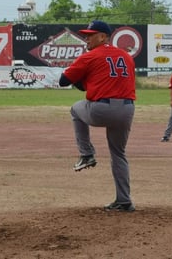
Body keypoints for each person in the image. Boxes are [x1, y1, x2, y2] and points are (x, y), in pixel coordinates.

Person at [59, 20, 136, 212]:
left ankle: (86, 154)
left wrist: (79, 80)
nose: (87, 39)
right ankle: (124, 200)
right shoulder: (127, 56)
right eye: (86, 35)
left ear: (103, 36)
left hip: (102, 109)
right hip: (127, 109)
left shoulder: (90, 56)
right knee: (118, 154)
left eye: (91, 35)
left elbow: (63, 81)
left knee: (76, 109)